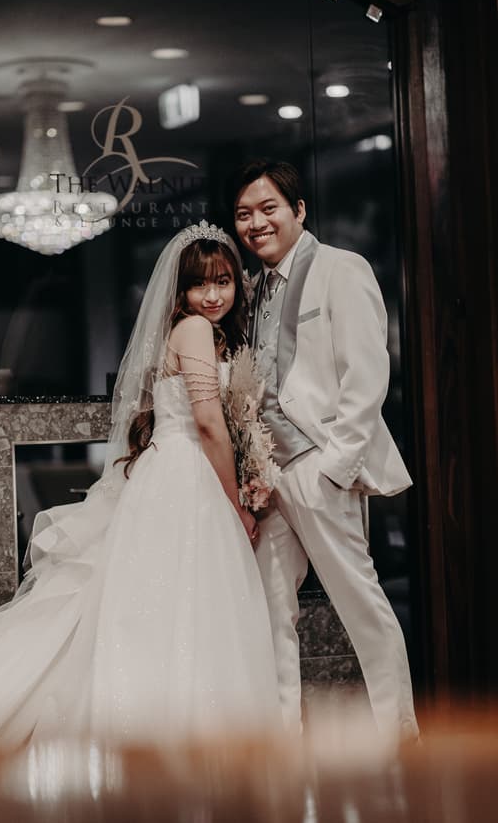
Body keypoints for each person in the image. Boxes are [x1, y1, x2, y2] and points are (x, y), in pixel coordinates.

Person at [0, 222, 281, 755]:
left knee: (164, 604)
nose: (212, 295)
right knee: (189, 603)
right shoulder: (194, 329)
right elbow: (209, 424)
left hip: (171, 471)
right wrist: (236, 502)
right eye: (200, 283)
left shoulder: (197, 332)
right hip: (187, 475)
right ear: (181, 290)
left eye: (223, 281)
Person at [231, 159, 419, 743]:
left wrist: (336, 468)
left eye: (268, 209)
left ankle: (399, 738)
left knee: (362, 607)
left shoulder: (342, 268)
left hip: (318, 465)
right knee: (270, 610)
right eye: (244, 214)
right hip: (268, 475)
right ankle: (284, 739)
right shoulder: (251, 289)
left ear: (299, 210)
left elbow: (368, 375)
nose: (256, 223)